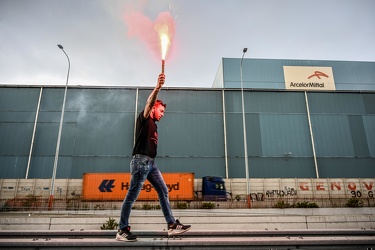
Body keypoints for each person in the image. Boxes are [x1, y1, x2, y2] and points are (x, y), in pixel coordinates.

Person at [116, 73, 191, 242]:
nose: (163, 114)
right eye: (161, 110)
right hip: (140, 162)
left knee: (163, 190)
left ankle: (171, 225)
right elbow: (149, 102)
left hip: (151, 164)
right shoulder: (144, 119)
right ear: (154, 108)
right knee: (132, 196)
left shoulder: (154, 126)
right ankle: (122, 229)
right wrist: (158, 87)